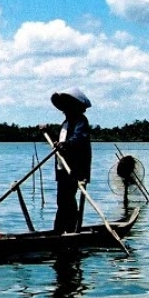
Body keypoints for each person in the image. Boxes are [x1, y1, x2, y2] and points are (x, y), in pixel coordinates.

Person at [51, 88, 93, 234]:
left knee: (67, 201)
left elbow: (78, 139)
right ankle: (59, 231)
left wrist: (64, 145)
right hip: (63, 169)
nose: (64, 110)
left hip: (74, 170)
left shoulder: (81, 121)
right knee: (62, 201)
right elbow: (63, 141)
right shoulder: (66, 123)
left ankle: (70, 231)